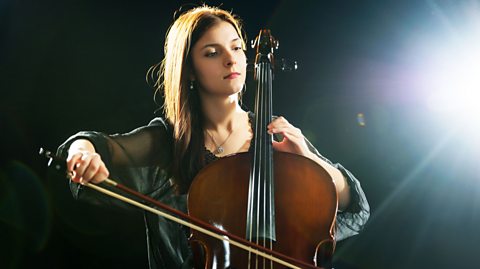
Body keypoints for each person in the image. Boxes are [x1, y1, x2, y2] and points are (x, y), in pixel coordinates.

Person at [57, 5, 369, 269]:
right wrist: (82, 152)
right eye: (212, 52)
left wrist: (309, 159)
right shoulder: (169, 142)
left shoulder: (277, 134)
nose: (231, 60)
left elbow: (355, 209)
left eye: (236, 48)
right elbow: (97, 145)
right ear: (189, 69)